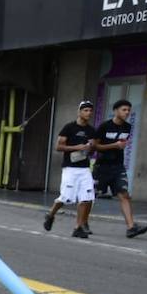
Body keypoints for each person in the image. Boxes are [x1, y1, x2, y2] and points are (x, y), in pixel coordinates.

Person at [90, 100, 147, 238]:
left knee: (124, 195)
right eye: (124, 109)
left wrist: (120, 146)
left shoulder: (128, 127)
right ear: (115, 111)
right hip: (102, 166)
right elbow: (95, 147)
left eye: (129, 110)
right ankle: (82, 223)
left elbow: (122, 144)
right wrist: (114, 146)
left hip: (118, 166)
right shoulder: (104, 126)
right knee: (91, 197)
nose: (127, 112)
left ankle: (131, 227)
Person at [43, 101, 97, 239]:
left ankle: (78, 227)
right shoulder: (69, 127)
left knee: (86, 197)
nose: (88, 113)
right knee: (66, 197)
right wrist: (77, 147)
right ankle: (50, 215)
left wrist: (90, 147)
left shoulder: (91, 130)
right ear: (79, 112)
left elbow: (93, 147)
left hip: (84, 168)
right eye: (85, 110)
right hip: (70, 168)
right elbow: (59, 147)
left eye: (90, 111)